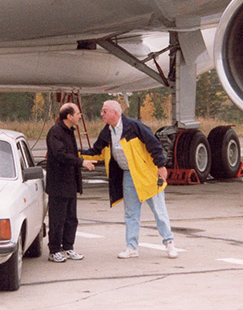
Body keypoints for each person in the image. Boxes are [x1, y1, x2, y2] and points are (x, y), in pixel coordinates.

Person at [80, 100, 178, 259]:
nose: (102, 114)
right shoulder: (107, 131)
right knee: (131, 213)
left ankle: (169, 243)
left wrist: (161, 166)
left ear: (115, 113)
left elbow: (154, 144)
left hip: (147, 175)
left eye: (104, 111)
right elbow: (96, 151)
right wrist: (75, 154)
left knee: (159, 212)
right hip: (128, 176)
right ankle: (132, 247)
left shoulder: (134, 126)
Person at [45, 103, 96, 263]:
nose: (80, 116)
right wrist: (81, 162)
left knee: (71, 218)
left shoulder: (69, 131)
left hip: (70, 183)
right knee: (57, 218)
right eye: (78, 113)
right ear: (69, 116)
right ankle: (54, 250)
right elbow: (60, 154)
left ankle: (68, 247)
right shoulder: (56, 132)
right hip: (58, 184)